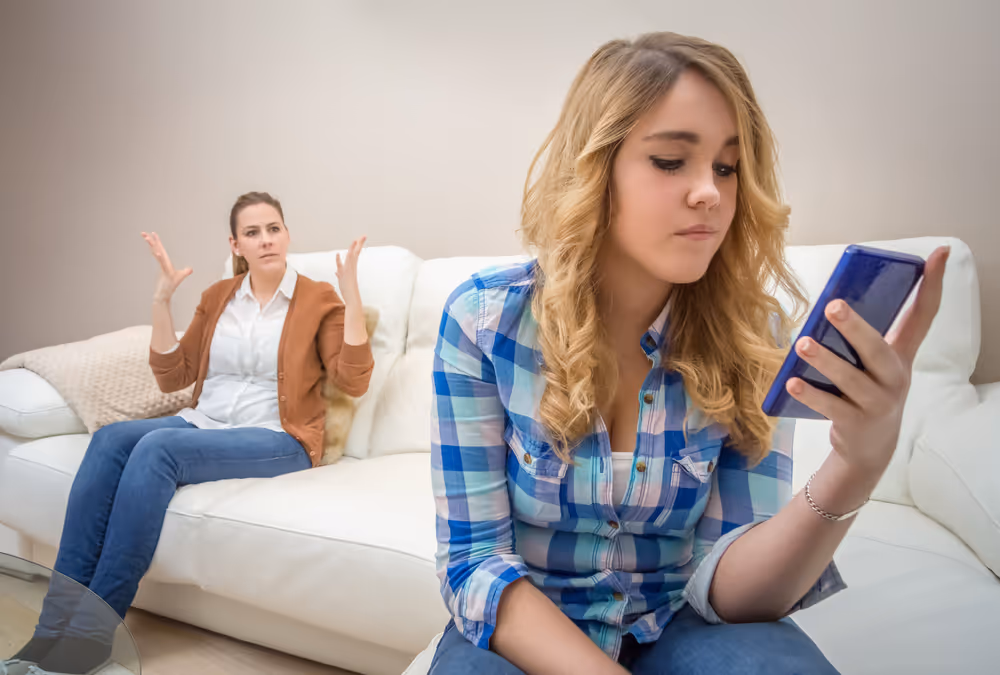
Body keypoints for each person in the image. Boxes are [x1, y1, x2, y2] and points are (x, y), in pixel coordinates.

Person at [429, 32, 948, 675]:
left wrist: (857, 464)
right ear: (595, 171)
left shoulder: (752, 330)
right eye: (671, 162)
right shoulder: (484, 320)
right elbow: (474, 561)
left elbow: (731, 585)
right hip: (530, 626)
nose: (710, 192)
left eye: (727, 168)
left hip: (680, 616)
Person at [5, 191, 374, 675]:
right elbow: (173, 377)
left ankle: (91, 636)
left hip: (277, 436)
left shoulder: (319, 298)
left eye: (274, 229)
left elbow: (353, 380)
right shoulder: (218, 297)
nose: (266, 240)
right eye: (252, 232)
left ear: (286, 234)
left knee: (159, 450)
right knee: (112, 437)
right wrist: (162, 301)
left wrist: (352, 297)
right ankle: (51, 630)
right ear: (235, 244)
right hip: (204, 423)